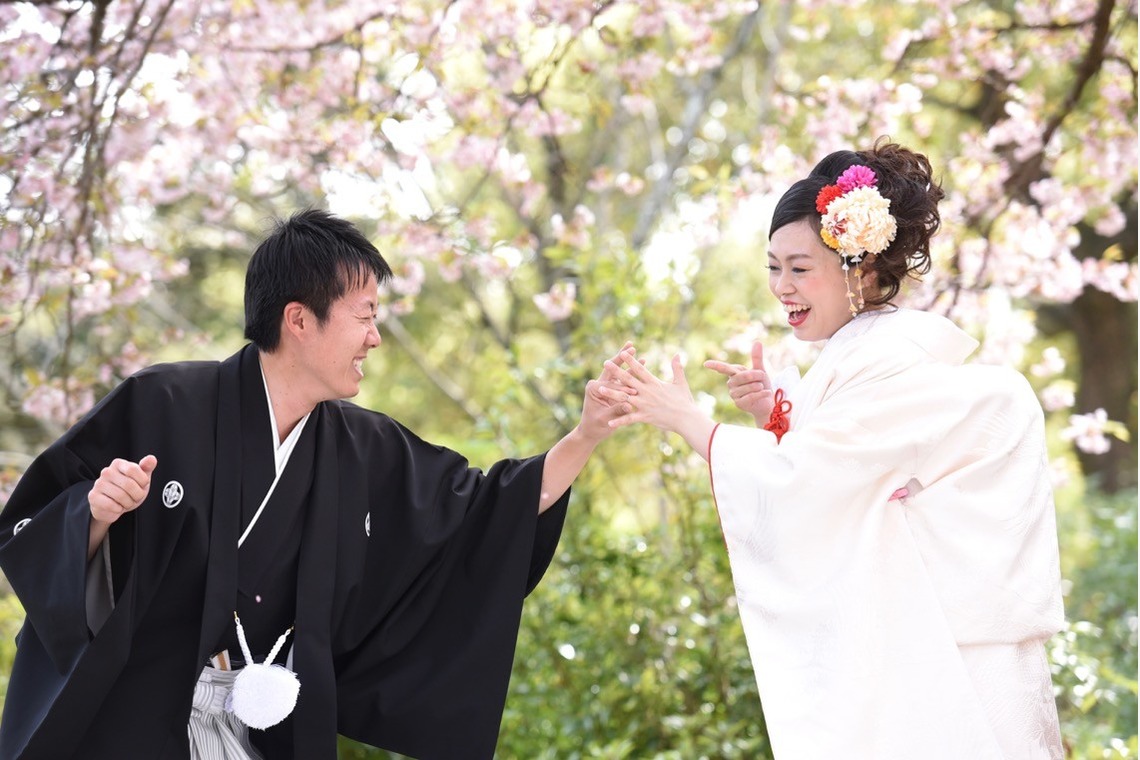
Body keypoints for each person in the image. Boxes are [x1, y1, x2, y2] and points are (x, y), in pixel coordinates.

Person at [0, 208, 634, 760]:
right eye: (364, 316)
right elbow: (35, 526)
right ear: (299, 319)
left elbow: (493, 509)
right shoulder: (161, 402)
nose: (375, 337)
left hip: (263, 730)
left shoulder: (366, 448)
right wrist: (96, 515)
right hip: (130, 723)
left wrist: (585, 437)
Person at [600, 141, 1064, 758]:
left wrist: (689, 421)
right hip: (926, 640)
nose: (781, 288)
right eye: (772, 267)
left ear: (863, 272)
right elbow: (843, 471)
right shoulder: (861, 355)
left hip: (951, 652)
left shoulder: (890, 357)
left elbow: (811, 482)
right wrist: (777, 413)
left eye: (799, 267)